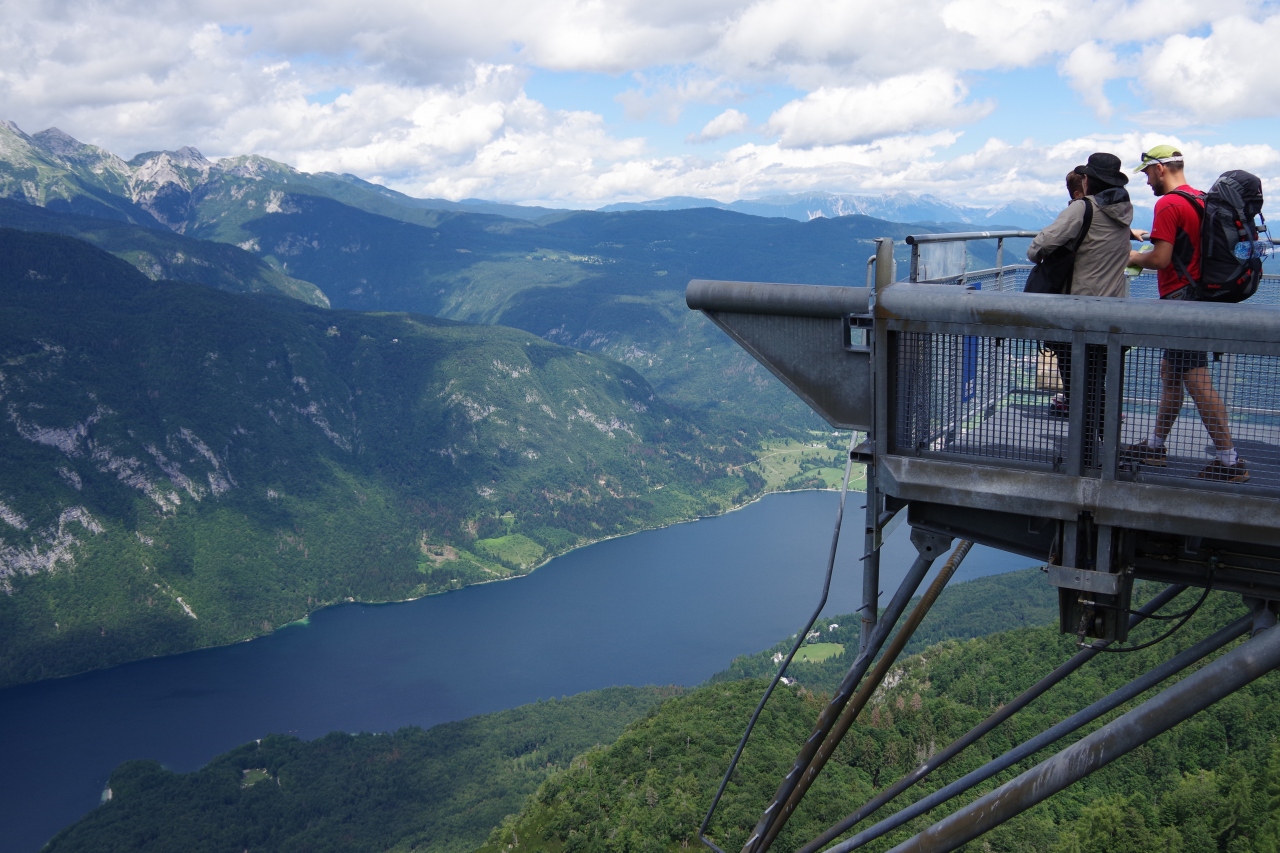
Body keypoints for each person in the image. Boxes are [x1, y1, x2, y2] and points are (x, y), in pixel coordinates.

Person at [1124, 145, 1248, 483]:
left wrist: (1131, 255)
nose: (1147, 181)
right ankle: (1155, 445)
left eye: (1148, 173)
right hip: (1199, 296)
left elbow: (1161, 260)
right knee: (1172, 372)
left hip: (1180, 301)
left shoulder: (1168, 203)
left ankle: (1228, 460)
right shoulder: (1200, 198)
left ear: (1161, 169)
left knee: (1196, 379)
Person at [1028, 154, 1134, 448]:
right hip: (1116, 311)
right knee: (1103, 383)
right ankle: (1107, 447)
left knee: (1077, 383)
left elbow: (1039, 246)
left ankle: (1084, 451)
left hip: (1080, 310)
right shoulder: (1125, 209)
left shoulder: (1082, 207)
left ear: (1088, 181)